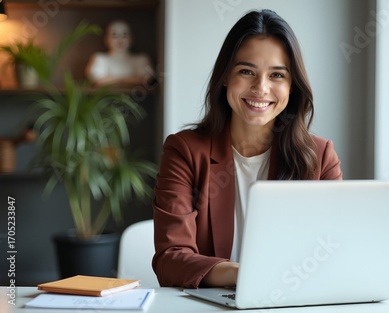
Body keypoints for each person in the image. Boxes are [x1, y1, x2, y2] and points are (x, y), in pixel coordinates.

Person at [152, 9, 342, 288]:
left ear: (292, 87)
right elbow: (170, 259)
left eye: (277, 75)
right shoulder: (184, 151)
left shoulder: (321, 156)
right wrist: (247, 275)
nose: (260, 88)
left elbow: (335, 252)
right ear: (226, 77)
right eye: (246, 71)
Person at [85, 20, 153, 87]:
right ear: (106, 39)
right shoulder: (99, 58)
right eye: (115, 35)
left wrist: (111, 80)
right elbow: (96, 80)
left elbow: (146, 79)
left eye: (125, 35)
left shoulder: (141, 59)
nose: (120, 40)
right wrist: (130, 79)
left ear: (132, 38)